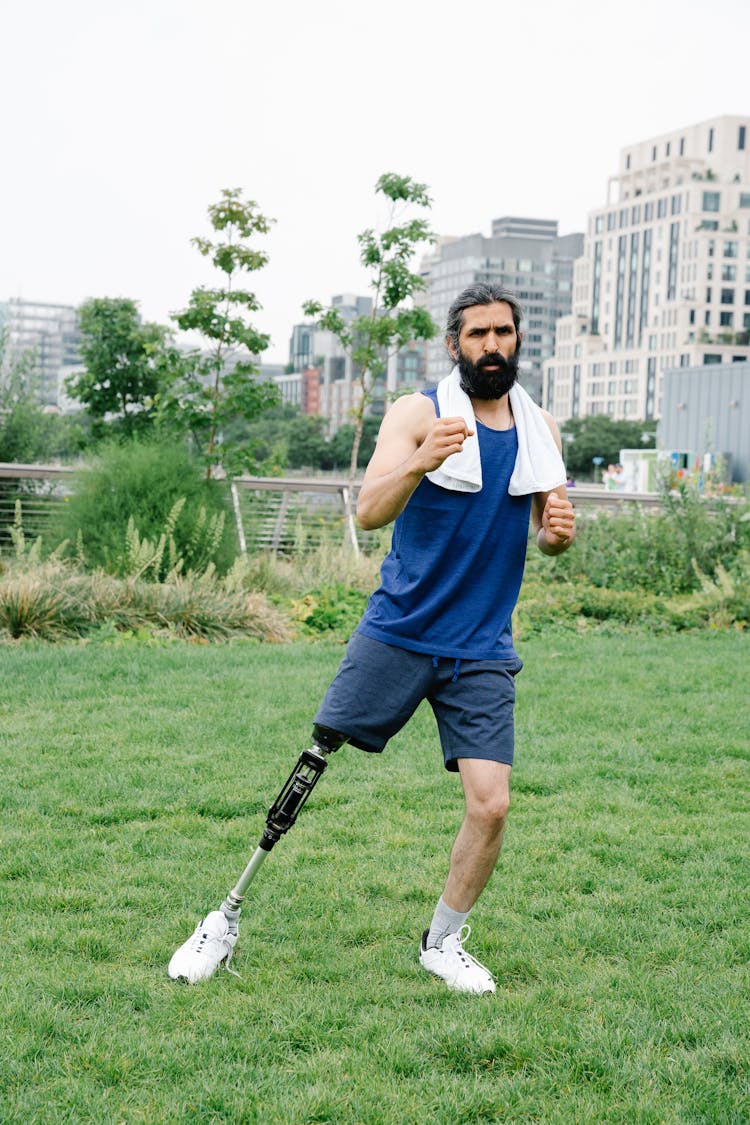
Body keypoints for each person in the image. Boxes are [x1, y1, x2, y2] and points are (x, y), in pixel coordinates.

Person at [169, 283, 576, 993]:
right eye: (477, 334)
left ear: (517, 340)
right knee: (316, 757)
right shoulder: (419, 412)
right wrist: (421, 461)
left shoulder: (541, 426)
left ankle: (442, 942)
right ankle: (223, 915)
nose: (492, 346)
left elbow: (546, 535)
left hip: (480, 645)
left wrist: (555, 538)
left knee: (493, 803)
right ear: (454, 345)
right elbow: (368, 510)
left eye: (504, 333)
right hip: (401, 630)